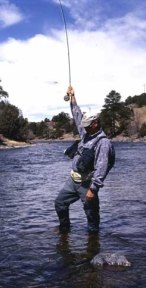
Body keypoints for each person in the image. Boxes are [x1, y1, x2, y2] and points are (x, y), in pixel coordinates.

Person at [55, 86, 115, 234]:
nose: (84, 128)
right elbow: (77, 115)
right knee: (60, 203)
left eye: (87, 126)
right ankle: (64, 230)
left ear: (95, 123)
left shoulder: (103, 143)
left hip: (87, 185)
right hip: (72, 181)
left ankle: (93, 243)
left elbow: (102, 167)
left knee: (91, 215)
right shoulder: (86, 133)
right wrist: (72, 97)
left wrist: (93, 189)